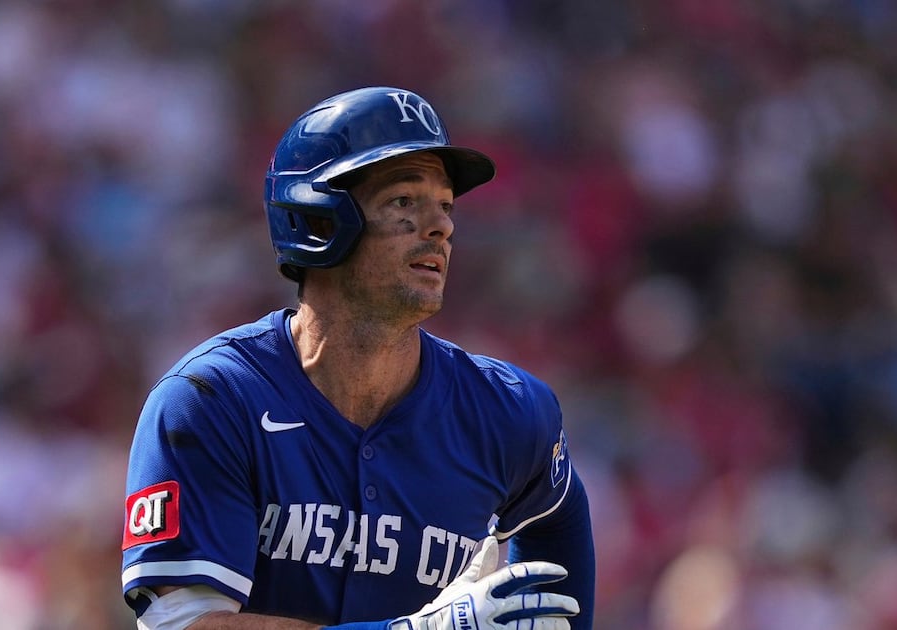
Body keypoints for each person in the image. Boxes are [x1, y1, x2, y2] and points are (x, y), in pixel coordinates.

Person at [120, 86, 596, 630]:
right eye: (403, 201)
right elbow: (184, 626)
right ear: (318, 219)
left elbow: (559, 520)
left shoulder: (509, 412)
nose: (441, 226)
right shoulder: (209, 402)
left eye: (445, 204)